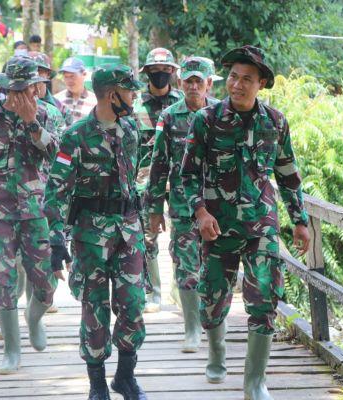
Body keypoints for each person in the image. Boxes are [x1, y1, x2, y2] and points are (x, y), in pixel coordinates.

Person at [180, 46, 311, 397]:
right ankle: (216, 353)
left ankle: (255, 381)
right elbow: (188, 175)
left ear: (261, 83)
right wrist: (200, 212)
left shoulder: (275, 122)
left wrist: (300, 220)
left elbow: (287, 174)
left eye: (247, 79)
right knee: (212, 301)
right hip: (217, 226)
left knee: (264, 298)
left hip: (261, 225)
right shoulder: (205, 120)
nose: (237, 85)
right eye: (233, 77)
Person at [44, 64, 148, 400]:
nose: (134, 96)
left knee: (133, 304)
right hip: (91, 237)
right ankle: (98, 384)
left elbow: (134, 179)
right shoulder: (75, 136)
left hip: (129, 232)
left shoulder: (131, 129)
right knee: (94, 310)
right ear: (112, 95)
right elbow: (55, 192)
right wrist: (56, 241)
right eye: (129, 91)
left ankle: (125, 377)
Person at [0, 57, 60, 374]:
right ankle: (11, 350)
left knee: (45, 283)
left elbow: (57, 157)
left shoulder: (48, 115)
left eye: (27, 88)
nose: (22, 95)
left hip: (37, 211)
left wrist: (33, 123)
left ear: (36, 87)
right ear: (5, 88)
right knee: (3, 281)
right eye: (15, 89)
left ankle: (34, 318)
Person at [146, 57, 219, 353]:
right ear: (180, 83)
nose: (193, 86)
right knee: (186, 269)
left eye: (198, 81)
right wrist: (154, 209)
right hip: (183, 207)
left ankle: (214, 324)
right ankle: (192, 329)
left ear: (209, 84)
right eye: (188, 81)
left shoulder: (223, 114)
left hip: (219, 207)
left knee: (215, 270)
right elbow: (159, 164)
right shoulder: (169, 117)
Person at [133, 47, 183, 313]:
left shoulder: (183, 103)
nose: (160, 74)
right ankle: (152, 293)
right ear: (146, 73)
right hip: (146, 181)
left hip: (179, 180)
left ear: (173, 72)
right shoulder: (136, 105)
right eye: (155, 70)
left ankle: (180, 290)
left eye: (165, 70)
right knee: (147, 238)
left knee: (182, 236)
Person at [29, 51, 74, 127]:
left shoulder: (62, 110)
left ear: (48, 74)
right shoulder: (18, 104)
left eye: (38, 70)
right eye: (29, 71)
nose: (34, 75)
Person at [55, 57, 97, 122]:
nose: (69, 80)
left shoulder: (95, 102)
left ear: (84, 74)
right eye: (66, 77)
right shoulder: (57, 100)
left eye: (72, 76)